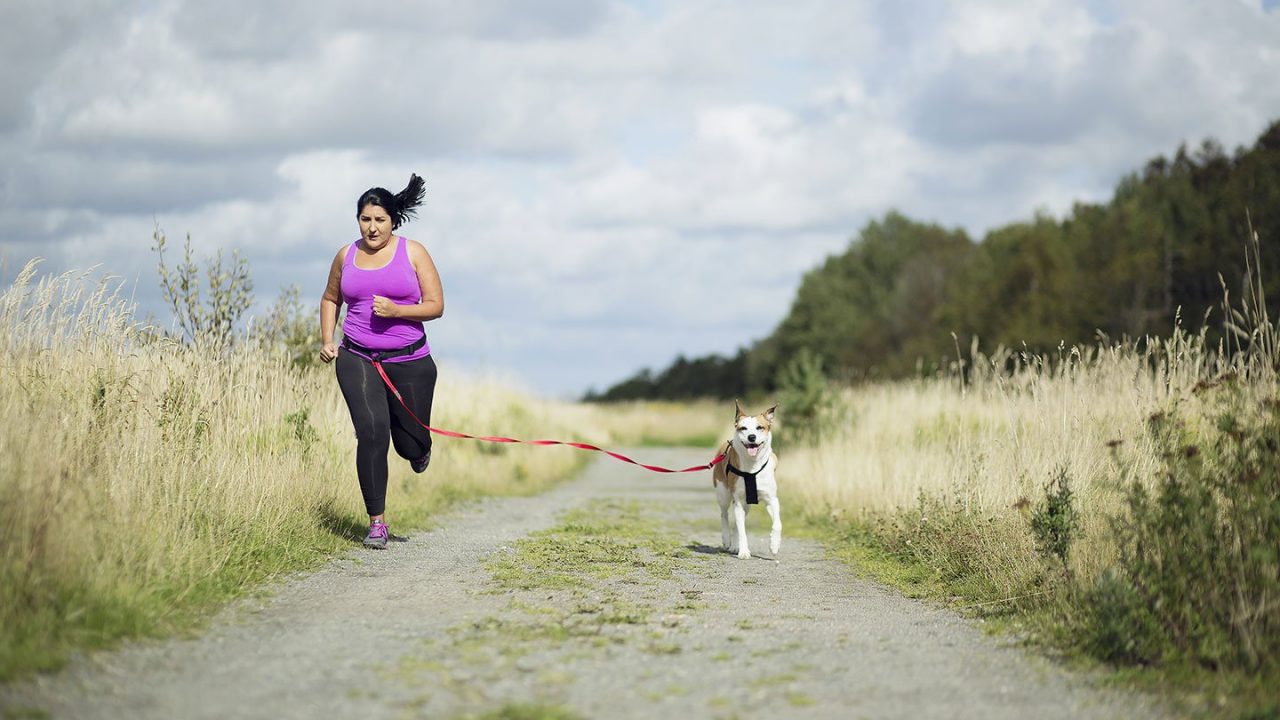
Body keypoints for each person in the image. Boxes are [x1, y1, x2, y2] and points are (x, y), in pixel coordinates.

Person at [319, 174, 443, 549]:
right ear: (358, 220)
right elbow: (330, 299)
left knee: (408, 444)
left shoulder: (414, 252)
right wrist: (328, 340)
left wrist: (397, 310)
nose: (372, 228)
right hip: (356, 357)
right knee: (372, 432)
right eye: (365, 219)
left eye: (380, 220)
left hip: (410, 361)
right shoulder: (346, 255)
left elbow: (436, 306)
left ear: (393, 221)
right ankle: (376, 522)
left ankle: (420, 448)